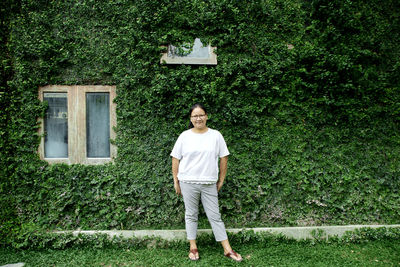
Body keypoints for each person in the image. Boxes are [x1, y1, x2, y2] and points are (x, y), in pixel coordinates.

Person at [170, 103, 243, 262]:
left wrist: (221, 179)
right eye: (195, 116)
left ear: (206, 116)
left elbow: (224, 157)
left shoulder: (216, 135)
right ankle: (193, 246)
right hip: (187, 182)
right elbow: (175, 158)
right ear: (191, 118)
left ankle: (227, 249)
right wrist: (176, 181)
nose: (198, 118)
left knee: (215, 216)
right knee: (191, 215)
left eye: (201, 115)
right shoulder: (184, 136)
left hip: (209, 183)